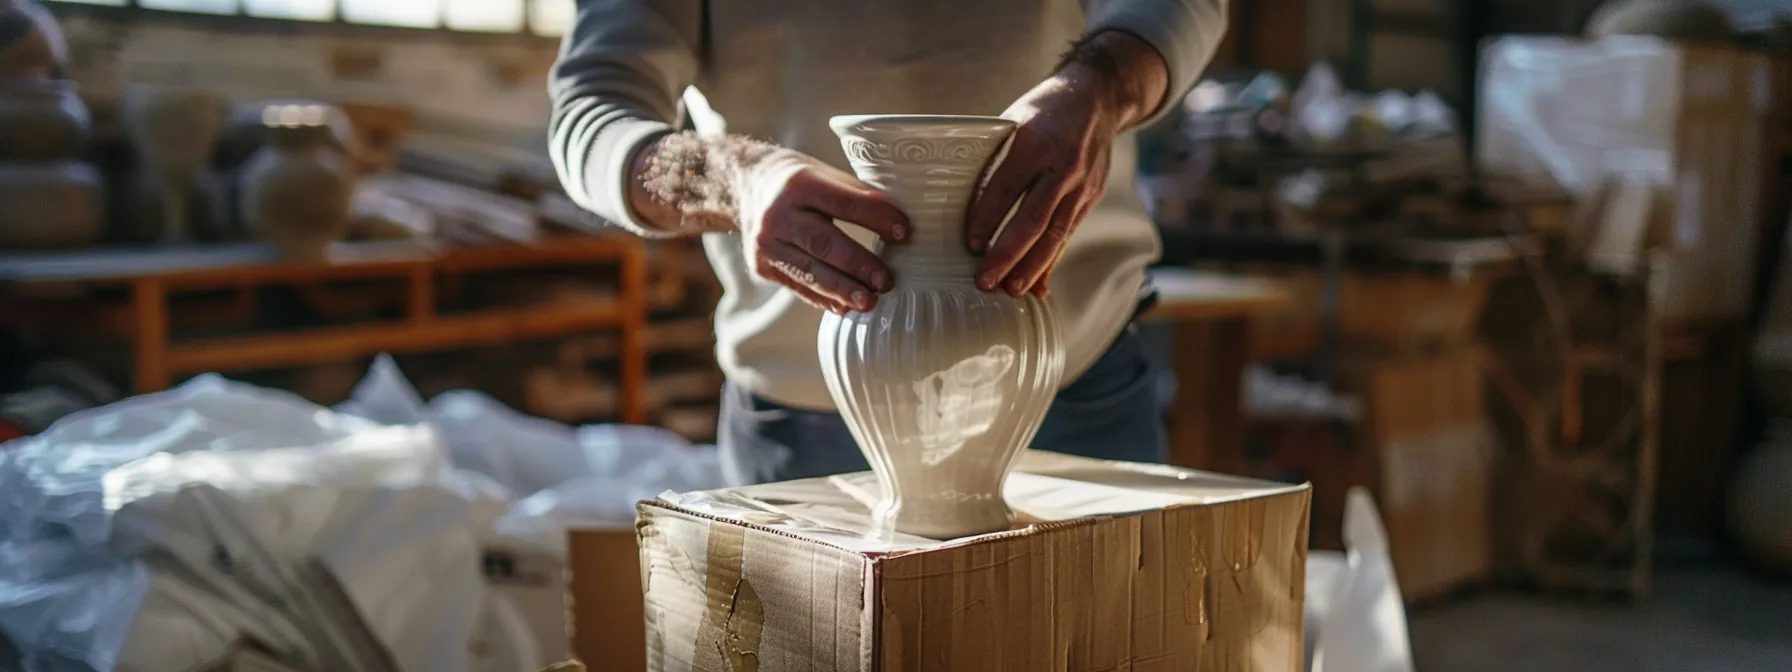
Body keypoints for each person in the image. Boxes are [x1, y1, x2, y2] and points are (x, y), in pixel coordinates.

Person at [550, 0, 1226, 485]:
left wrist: (1100, 89)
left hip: (1070, 376)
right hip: (809, 406)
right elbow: (591, 111)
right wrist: (735, 180)